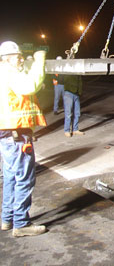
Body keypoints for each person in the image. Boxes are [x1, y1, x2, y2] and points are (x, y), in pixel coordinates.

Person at [0, 41, 47, 237]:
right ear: (8, 58)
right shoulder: (10, 73)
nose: (20, 59)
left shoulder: (5, 72)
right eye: (18, 57)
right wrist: (39, 60)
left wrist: (28, 65)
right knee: (24, 179)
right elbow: (31, 85)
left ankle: (7, 218)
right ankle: (21, 224)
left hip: (8, 134)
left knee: (11, 177)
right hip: (16, 135)